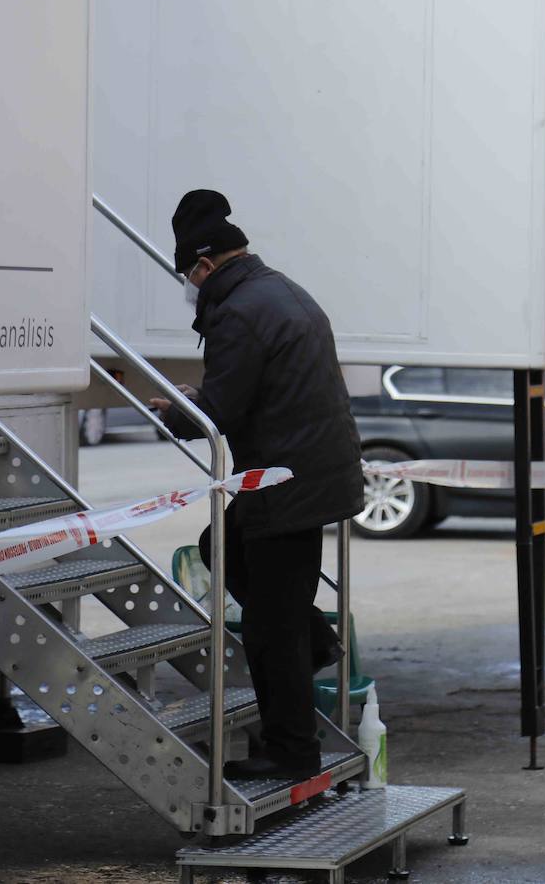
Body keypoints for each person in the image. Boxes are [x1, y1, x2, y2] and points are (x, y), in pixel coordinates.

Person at [150, 189, 365, 780]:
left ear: (204, 265)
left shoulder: (239, 312)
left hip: (285, 487)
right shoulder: (279, 291)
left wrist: (175, 412)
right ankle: (317, 638)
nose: (190, 287)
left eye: (188, 274)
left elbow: (221, 407)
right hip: (310, 476)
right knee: (221, 549)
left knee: (273, 628)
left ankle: (293, 754)